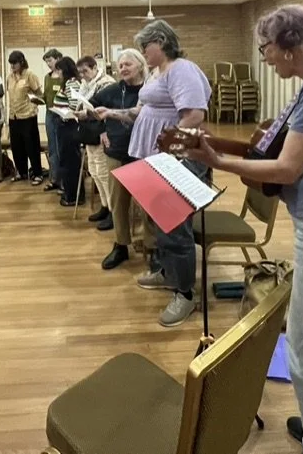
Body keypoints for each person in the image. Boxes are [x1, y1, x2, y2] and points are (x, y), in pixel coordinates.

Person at [184, 5, 303, 454]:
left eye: (266, 48)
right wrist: (226, 148)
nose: (264, 57)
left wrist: (219, 161)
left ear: (287, 46)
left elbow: (288, 168)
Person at [96, 20, 211, 328]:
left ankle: (185, 293)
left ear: (161, 42)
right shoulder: (160, 72)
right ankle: (167, 272)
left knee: (175, 228)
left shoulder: (181, 69)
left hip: (175, 160)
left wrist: (172, 154)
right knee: (160, 223)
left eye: (146, 47)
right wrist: (115, 114)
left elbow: (194, 114)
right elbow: (144, 110)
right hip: (155, 157)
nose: (144, 54)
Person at [89, 48, 147, 269]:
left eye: (127, 65)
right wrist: (101, 129)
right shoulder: (111, 90)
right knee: (118, 203)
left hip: (143, 153)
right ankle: (121, 245)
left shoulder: (150, 91)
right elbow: (91, 109)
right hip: (116, 152)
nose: (122, 69)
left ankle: (151, 246)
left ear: (140, 65)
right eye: (120, 65)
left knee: (146, 204)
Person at [77, 55, 115, 226]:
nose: (83, 75)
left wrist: (104, 129)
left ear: (94, 67)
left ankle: (113, 211)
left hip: (102, 131)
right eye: (80, 72)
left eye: (85, 71)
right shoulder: (86, 84)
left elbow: (109, 109)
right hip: (89, 130)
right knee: (93, 170)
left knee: (103, 171)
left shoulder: (106, 82)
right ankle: (104, 206)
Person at [5, 50, 45, 185]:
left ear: (21, 62)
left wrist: (33, 102)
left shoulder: (30, 75)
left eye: (14, 63)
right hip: (14, 116)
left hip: (28, 116)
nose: (12, 66)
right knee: (16, 146)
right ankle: (21, 172)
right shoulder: (9, 77)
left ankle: (37, 173)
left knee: (31, 146)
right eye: (11, 64)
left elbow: (39, 94)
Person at [51, 56, 84, 207]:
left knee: (70, 162)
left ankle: (72, 196)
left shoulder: (71, 83)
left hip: (68, 126)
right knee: (66, 160)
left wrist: (63, 112)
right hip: (64, 125)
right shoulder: (67, 83)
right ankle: (70, 192)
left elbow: (75, 105)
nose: (56, 72)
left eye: (58, 69)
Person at [42, 49, 64, 194]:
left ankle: (64, 181)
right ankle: (54, 179)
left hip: (62, 114)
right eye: (46, 61)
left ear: (58, 59)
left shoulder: (65, 76)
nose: (48, 64)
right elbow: (46, 95)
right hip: (50, 114)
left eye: (50, 60)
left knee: (62, 148)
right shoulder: (47, 77)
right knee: (52, 148)